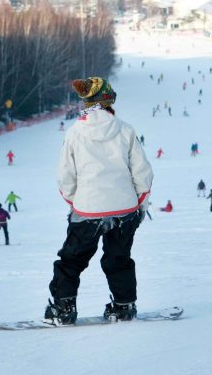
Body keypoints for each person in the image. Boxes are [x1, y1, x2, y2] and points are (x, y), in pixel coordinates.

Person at [45, 77, 153, 326]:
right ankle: (124, 306)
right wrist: (140, 204)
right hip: (124, 210)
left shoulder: (74, 133)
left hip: (87, 210)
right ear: (108, 100)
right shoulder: (125, 130)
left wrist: (76, 202)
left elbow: (65, 176)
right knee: (119, 259)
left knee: (71, 261)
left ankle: (63, 308)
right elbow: (142, 172)